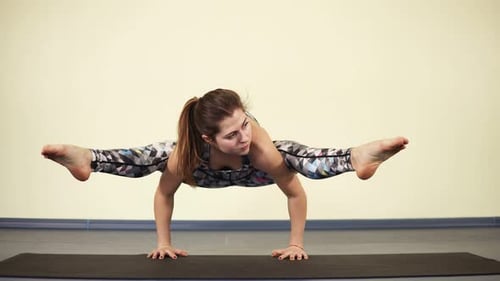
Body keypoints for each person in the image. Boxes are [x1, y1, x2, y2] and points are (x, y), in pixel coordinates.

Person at [41, 88, 408, 261]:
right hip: (205, 173)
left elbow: (295, 192)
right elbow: (164, 193)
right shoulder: (188, 153)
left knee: (294, 154)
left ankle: (356, 156)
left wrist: (296, 244)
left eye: (245, 125)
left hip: (255, 174)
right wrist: (163, 243)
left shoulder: (260, 147)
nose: (244, 136)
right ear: (208, 138)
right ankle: (87, 158)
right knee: (154, 154)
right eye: (232, 135)